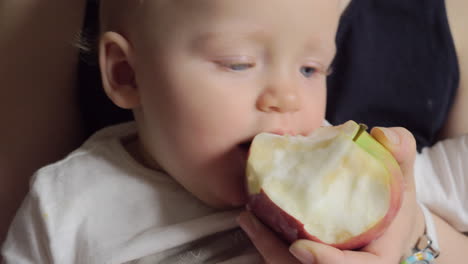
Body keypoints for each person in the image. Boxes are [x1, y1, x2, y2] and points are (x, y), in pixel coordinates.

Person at [2, 1, 467, 264]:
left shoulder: (341, 177)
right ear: (127, 73)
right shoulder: (64, 207)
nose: (286, 97)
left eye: (311, 68)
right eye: (238, 63)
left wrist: (416, 242)